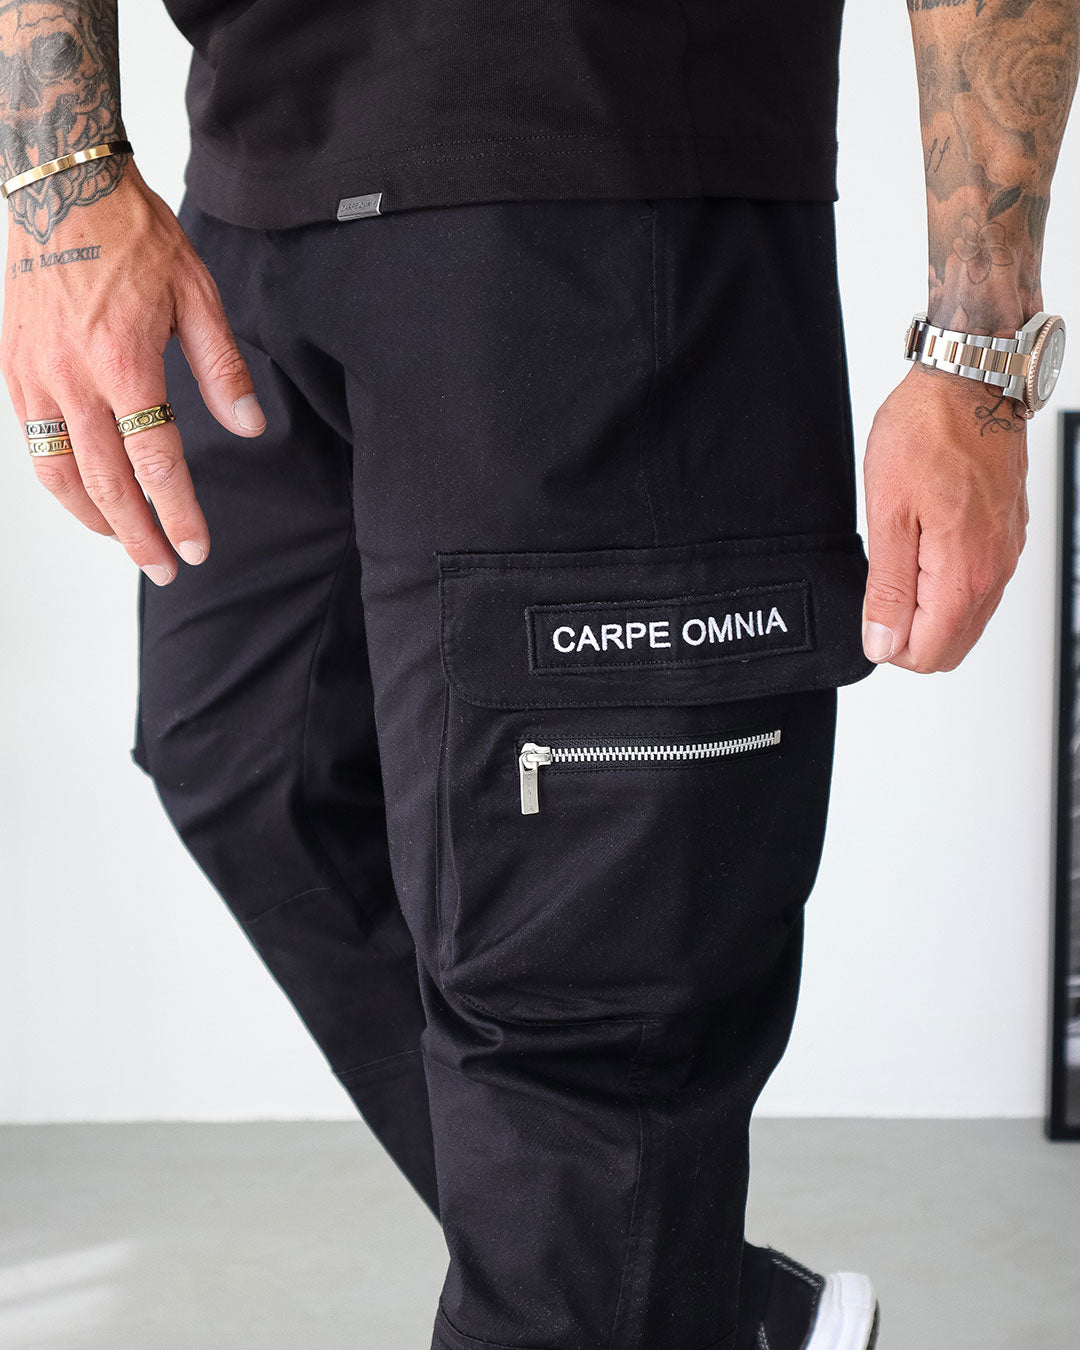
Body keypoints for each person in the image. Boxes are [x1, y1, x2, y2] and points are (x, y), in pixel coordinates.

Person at [3, 1, 1075, 1346]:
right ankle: (675, 1288)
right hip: (253, 193)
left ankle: (621, 1280)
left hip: (598, 206)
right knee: (252, 761)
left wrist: (978, 356)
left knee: (581, 1018)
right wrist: (58, 180)